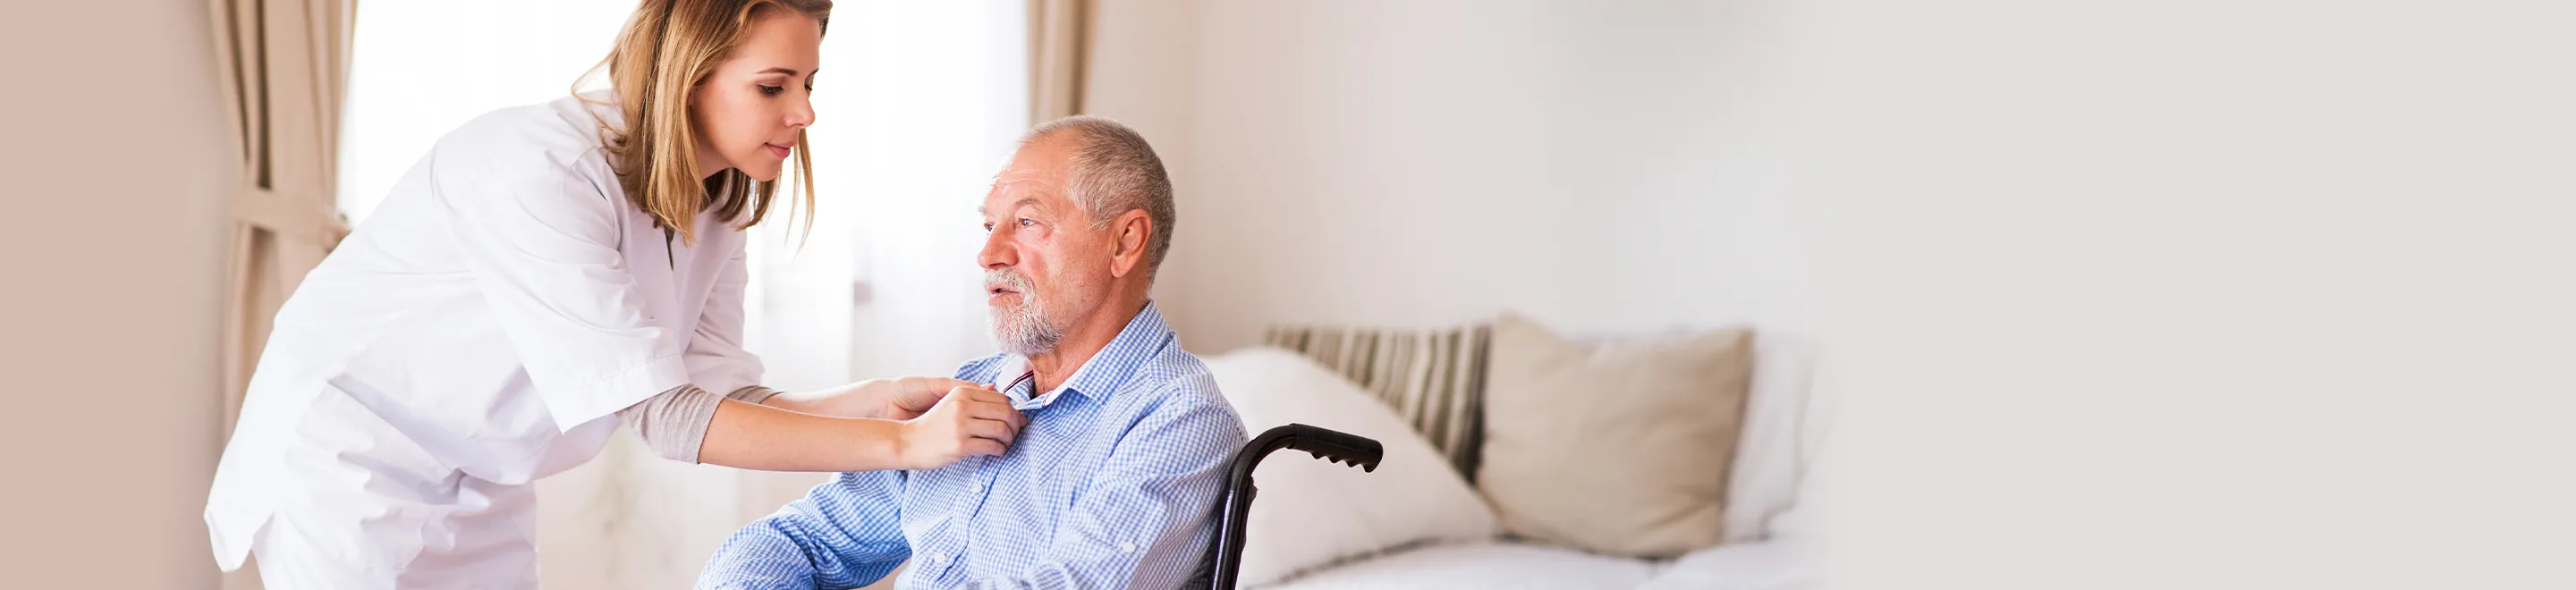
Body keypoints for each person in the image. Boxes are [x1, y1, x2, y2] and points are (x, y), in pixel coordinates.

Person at [202, 1, 1025, 587]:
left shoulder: (716, 201)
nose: (805, 112)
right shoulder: (538, 169)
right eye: (774, 86)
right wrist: (908, 448)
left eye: (810, 82)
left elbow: (721, 394)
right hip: (353, 464)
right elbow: (667, 419)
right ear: (689, 76)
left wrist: (878, 403)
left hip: (480, 479)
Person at [694, 116, 1248, 589]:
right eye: (988, 225)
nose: (988, 254)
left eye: (1026, 223)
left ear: (1125, 242)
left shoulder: (1179, 420)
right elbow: (795, 542)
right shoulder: (968, 393)